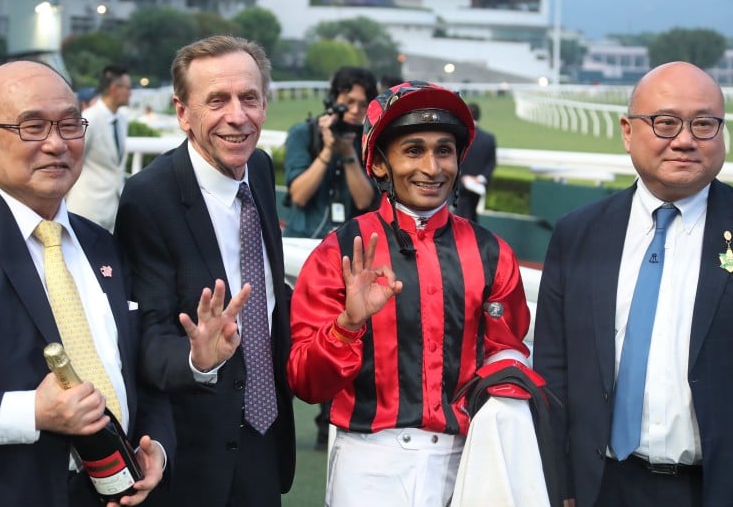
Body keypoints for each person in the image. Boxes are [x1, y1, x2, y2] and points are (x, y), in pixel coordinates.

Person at [287, 80, 531, 507]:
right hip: (368, 464)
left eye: (444, 150)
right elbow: (305, 382)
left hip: (468, 460)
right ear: (380, 165)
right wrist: (347, 327)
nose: (433, 168)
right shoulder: (340, 251)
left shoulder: (493, 253)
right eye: (413, 150)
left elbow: (507, 360)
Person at [0, 60, 174, 507]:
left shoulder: (103, 245)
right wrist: (30, 413)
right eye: (32, 126)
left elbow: (139, 374)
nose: (56, 144)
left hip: (119, 490)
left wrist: (157, 449)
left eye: (70, 125)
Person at [533, 61, 731, 507]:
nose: (685, 140)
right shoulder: (578, 233)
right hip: (599, 487)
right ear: (627, 131)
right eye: (665, 123)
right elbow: (553, 370)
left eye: (704, 124)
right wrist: (560, 483)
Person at [114, 36, 296, 507]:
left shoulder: (258, 166)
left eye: (249, 98)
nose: (238, 116)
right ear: (182, 112)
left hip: (266, 435)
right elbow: (146, 339)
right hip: (194, 458)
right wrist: (200, 359)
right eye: (217, 100)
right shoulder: (147, 198)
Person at [282, 66, 378, 239]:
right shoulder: (303, 133)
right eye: (349, 102)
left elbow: (364, 201)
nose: (355, 110)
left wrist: (348, 151)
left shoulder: (367, 142)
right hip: (303, 238)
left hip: (347, 242)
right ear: (333, 100)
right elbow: (299, 196)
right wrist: (328, 150)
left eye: (362, 105)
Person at [67, 65, 131, 232]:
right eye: (127, 88)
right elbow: (71, 160)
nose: (130, 93)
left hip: (113, 208)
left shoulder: (122, 118)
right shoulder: (90, 118)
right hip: (87, 208)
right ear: (114, 89)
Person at [454, 102, 496, 222]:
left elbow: (454, 158)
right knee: (471, 215)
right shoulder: (489, 138)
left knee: (462, 218)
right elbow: (491, 162)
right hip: (478, 185)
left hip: (462, 185)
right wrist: (480, 178)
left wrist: (463, 177)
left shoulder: (460, 136)